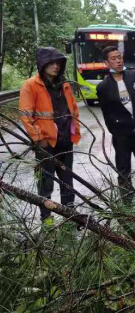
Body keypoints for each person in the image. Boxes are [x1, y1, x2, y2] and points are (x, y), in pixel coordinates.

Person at [19, 47, 82, 225]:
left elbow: (73, 111)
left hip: (65, 141)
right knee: (45, 182)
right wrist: (39, 138)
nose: (56, 66)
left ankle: (70, 215)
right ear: (43, 64)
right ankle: (46, 218)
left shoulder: (65, 84)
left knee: (67, 180)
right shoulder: (31, 85)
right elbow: (25, 115)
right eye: (52, 63)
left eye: (58, 63)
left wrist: (74, 133)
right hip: (46, 144)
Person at [97, 46, 135, 208]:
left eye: (119, 57)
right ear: (106, 62)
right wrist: (116, 132)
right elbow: (107, 113)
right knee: (123, 170)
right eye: (113, 58)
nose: (118, 61)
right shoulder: (103, 87)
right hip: (121, 136)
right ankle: (127, 203)